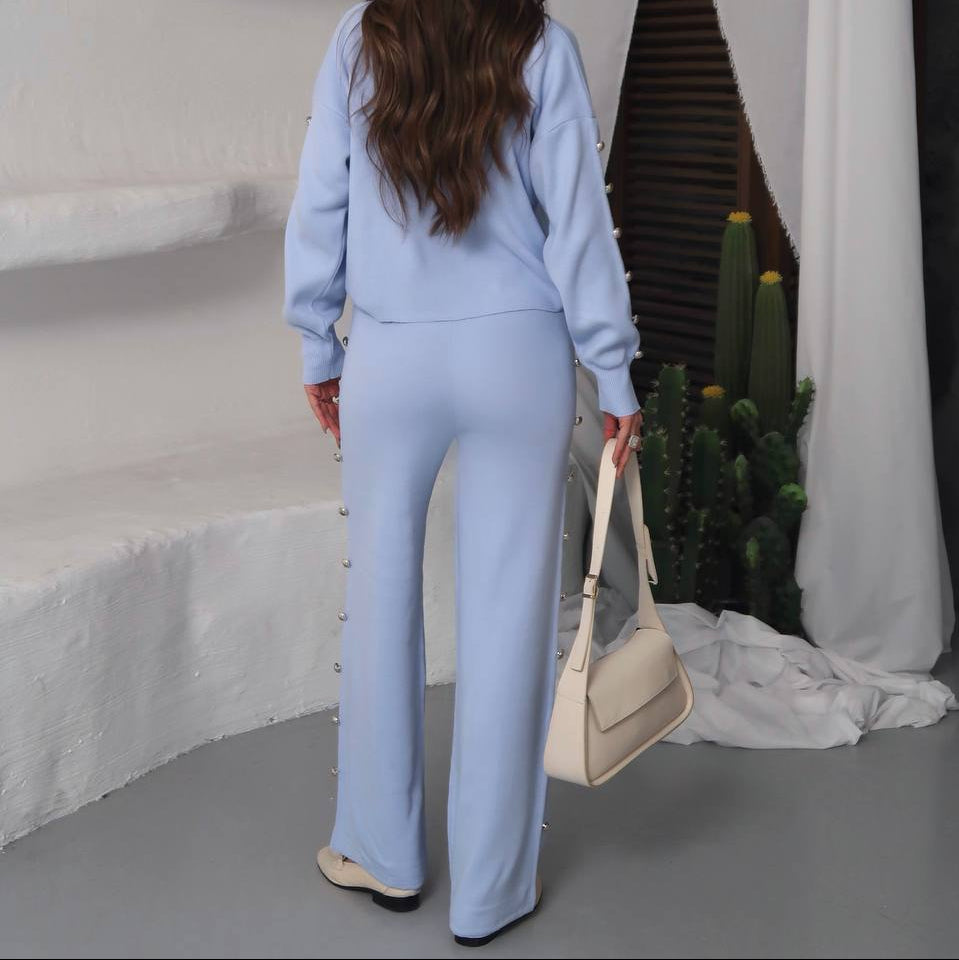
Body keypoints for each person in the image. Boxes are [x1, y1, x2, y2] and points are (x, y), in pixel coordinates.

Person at [282, 0, 643, 946]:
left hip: (390, 354)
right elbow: (578, 221)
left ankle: (383, 857)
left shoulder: (361, 37)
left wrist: (317, 340)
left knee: (379, 603)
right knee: (508, 619)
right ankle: (490, 892)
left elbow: (322, 192)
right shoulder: (542, 44)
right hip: (517, 355)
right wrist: (612, 371)